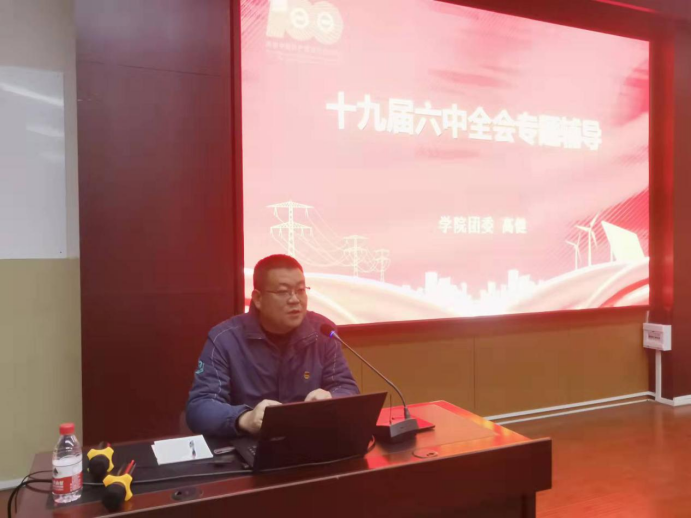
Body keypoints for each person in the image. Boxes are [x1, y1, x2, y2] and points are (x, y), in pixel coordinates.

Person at [186, 254, 359, 438]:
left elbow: (346, 388)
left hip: (309, 439)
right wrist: (244, 418)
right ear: (258, 298)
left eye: (301, 290)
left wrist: (332, 398)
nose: (295, 300)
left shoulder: (323, 332)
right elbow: (200, 408)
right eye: (283, 292)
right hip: (251, 442)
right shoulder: (225, 339)